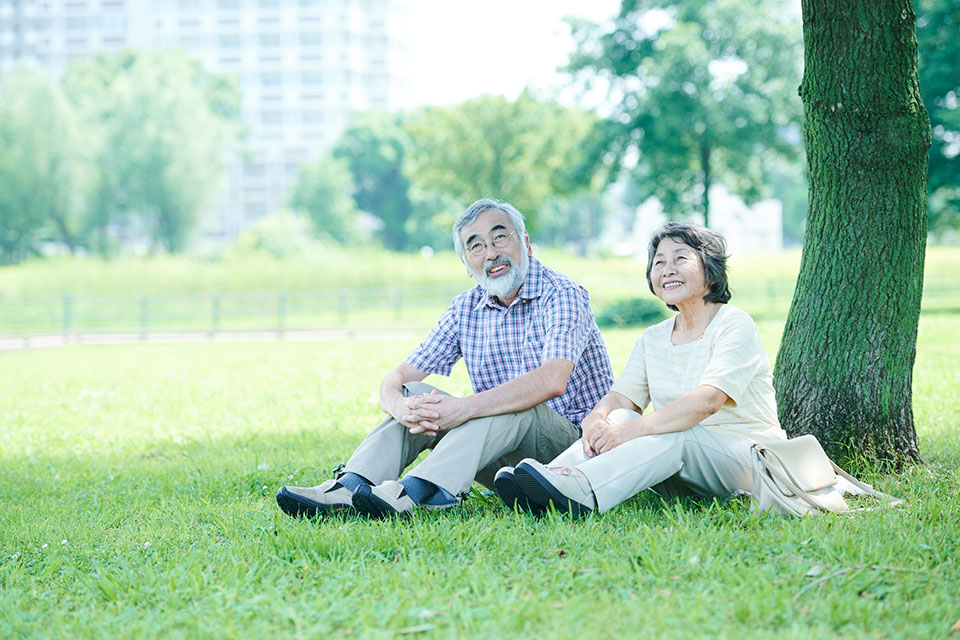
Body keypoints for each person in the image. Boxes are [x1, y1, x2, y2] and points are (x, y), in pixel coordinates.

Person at [276, 198, 614, 519]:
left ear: (525, 243)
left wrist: (465, 408)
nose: (491, 253)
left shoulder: (563, 294)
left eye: (500, 238)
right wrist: (402, 407)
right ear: (467, 264)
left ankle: (414, 492)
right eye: (476, 246)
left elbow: (552, 380)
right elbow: (396, 380)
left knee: (507, 404)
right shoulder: (465, 308)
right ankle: (348, 487)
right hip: (497, 456)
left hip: (567, 454)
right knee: (419, 395)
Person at [495, 222, 787, 519]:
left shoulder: (734, 324)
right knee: (618, 417)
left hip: (748, 463)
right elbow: (621, 399)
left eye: (680, 259)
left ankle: (582, 490)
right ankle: (549, 479)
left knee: (676, 432)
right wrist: (596, 420)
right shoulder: (653, 337)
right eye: (659, 262)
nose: (667, 269)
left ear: (710, 269)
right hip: (683, 469)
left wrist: (633, 430)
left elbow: (707, 402)